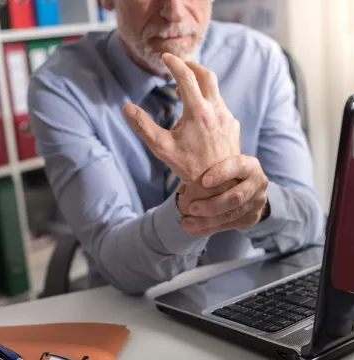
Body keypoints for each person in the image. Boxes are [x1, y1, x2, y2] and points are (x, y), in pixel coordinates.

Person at [27, 0, 325, 296]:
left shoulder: (259, 59)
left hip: (252, 292)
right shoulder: (61, 86)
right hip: (135, 309)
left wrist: (253, 203)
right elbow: (115, 261)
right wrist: (200, 204)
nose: (174, 12)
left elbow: (308, 220)